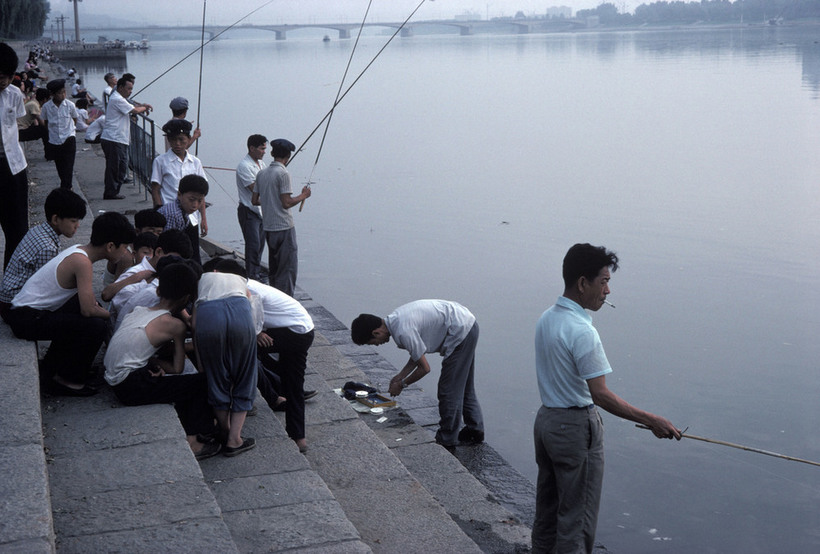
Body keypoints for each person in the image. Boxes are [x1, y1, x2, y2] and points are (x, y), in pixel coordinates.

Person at [531, 243, 681, 554]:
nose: (608, 291)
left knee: (547, 512)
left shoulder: (547, 318)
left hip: (546, 422)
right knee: (577, 520)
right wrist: (652, 420)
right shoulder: (583, 332)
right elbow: (600, 395)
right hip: (574, 429)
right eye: (604, 282)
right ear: (583, 283)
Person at [5, 212, 136, 396]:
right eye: (124, 248)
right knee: (95, 326)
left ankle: (59, 367)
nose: (125, 253)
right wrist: (115, 316)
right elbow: (89, 310)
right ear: (110, 246)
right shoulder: (82, 263)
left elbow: (87, 303)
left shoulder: (79, 251)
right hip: (26, 319)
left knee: (82, 311)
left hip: (25, 313)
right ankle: (68, 380)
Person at [104, 262, 221, 461]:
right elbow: (177, 368)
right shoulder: (174, 325)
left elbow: (137, 349)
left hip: (115, 377)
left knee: (182, 385)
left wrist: (155, 363)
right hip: (129, 386)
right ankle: (196, 442)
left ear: (158, 289)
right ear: (187, 298)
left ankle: (194, 429)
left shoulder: (139, 311)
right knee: (200, 383)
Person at [351, 299, 484, 449]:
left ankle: (447, 438)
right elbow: (417, 354)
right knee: (463, 384)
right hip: (467, 323)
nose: (377, 345)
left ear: (376, 332)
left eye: (373, 342)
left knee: (449, 390)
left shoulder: (402, 331)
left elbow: (425, 368)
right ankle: (475, 429)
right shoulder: (396, 320)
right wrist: (399, 376)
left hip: (461, 331)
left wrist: (402, 384)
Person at [223, 259, 315, 452]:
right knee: (293, 384)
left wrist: (257, 333)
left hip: (294, 331)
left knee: (241, 350)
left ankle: (242, 403)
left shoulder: (248, 290)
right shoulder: (249, 285)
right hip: (304, 329)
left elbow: (250, 322)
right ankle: (299, 437)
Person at [194, 262, 259, 457]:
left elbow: (194, 323)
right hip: (240, 311)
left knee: (216, 376)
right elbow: (254, 316)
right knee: (245, 375)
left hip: (208, 315)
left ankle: (224, 430)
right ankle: (235, 439)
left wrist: (200, 361)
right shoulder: (241, 283)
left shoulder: (203, 280)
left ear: (214, 271)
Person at [0, 187, 87, 321]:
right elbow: (48, 286)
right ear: (56, 219)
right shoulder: (47, 247)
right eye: (73, 221)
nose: (77, 226)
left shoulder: (40, 230)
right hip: (15, 306)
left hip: (9, 299)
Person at [252, 138, 311, 297]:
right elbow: (286, 203)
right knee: (287, 270)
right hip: (284, 228)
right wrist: (303, 195)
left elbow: (254, 200)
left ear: (272, 153)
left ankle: (275, 300)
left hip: (269, 228)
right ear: (288, 156)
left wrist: (269, 200)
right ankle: (287, 304)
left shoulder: (261, 173)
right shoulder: (283, 173)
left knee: (275, 269)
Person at [151, 119, 207, 255]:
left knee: (192, 254)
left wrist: (203, 219)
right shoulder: (160, 161)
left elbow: (201, 194)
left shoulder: (195, 162)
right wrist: (159, 211)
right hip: (169, 217)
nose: (177, 144)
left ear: (188, 139)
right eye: (173, 140)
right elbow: (155, 189)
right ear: (169, 140)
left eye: (181, 140)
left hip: (191, 218)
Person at [0, 42, 30, 269]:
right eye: (1, 76)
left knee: (18, 229)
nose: (4, 82)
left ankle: (11, 283)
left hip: (13, 167)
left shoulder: (14, 94)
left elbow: (16, 124)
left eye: (8, 77)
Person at [100, 76, 152, 200]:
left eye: (132, 89)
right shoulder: (117, 99)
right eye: (129, 89)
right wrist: (146, 107)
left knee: (121, 166)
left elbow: (132, 105)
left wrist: (142, 106)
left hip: (119, 138)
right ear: (121, 87)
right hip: (113, 138)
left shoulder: (120, 98)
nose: (130, 91)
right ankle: (110, 192)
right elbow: (134, 110)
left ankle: (113, 191)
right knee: (114, 167)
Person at [236, 134, 268, 283]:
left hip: (261, 212)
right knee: (253, 245)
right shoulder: (244, 166)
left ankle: (255, 273)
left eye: (265, 149)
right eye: (262, 149)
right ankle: (251, 276)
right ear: (252, 148)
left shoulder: (262, 164)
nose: (264, 152)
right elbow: (254, 188)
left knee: (261, 245)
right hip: (248, 211)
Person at [157, 173, 208, 266]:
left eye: (199, 201)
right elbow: (167, 244)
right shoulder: (173, 214)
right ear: (179, 195)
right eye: (191, 199)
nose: (195, 205)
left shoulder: (183, 212)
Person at [41, 79, 78, 189]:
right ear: (52, 94)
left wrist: (70, 130)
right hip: (55, 141)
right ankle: (66, 188)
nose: (63, 95)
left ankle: (66, 190)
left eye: (64, 92)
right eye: (59, 93)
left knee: (68, 167)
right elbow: (45, 122)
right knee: (60, 168)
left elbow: (74, 119)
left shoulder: (70, 105)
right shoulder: (46, 107)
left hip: (69, 138)